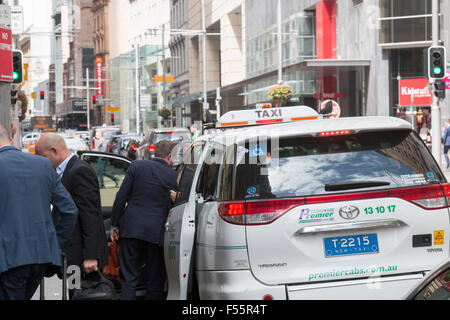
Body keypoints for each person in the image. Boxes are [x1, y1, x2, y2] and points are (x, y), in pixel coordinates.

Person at [0, 125, 78, 300]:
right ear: (11, 139)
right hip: (41, 254)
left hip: (8, 258)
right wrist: (54, 244)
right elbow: (69, 210)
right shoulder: (42, 165)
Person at [35, 134, 109, 298]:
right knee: (74, 293)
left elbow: (90, 215)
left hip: (83, 258)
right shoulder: (65, 171)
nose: (42, 163)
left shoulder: (79, 170)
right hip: (74, 256)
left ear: (54, 151)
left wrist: (91, 255)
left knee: (81, 294)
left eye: (44, 157)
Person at [111, 140, 178, 300]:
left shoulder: (136, 166)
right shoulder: (173, 176)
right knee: (155, 280)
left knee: (129, 278)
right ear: (169, 156)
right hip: (156, 233)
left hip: (131, 228)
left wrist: (115, 224)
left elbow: (121, 197)